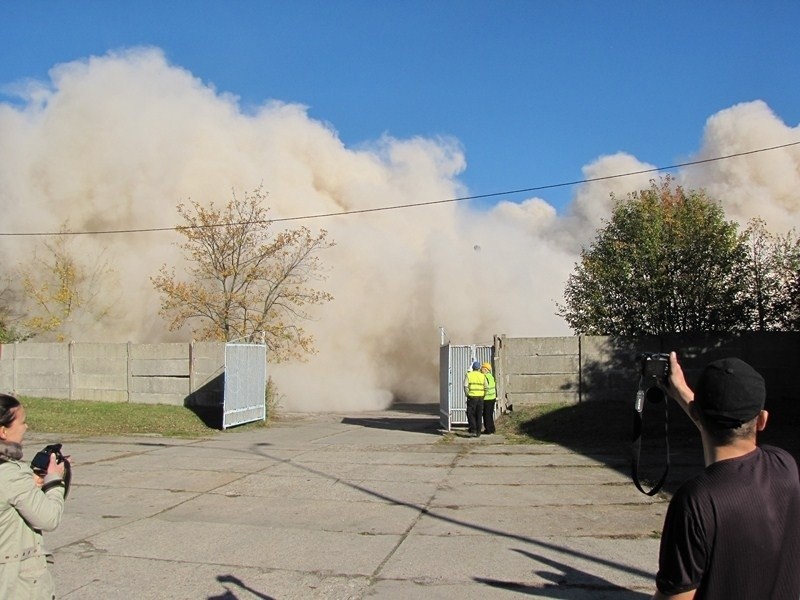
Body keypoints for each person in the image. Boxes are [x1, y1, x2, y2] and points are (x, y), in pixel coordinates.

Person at [652, 353, 800, 599]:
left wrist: (690, 401)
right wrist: (680, 391)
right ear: (762, 420)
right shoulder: (785, 466)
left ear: (696, 414)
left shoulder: (696, 501)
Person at [0, 393, 67, 600]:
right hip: (14, 584)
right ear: (3, 431)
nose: (26, 427)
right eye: (22, 421)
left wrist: (31, 484)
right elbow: (49, 518)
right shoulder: (10, 475)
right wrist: (55, 480)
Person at [463, 361, 487, 437]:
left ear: (473, 368)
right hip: (480, 398)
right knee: (479, 414)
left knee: (470, 414)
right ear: (479, 368)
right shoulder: (482, 376)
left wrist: (467, 395)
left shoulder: (469, 375)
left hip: (472, 397)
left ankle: (473, 429)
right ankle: (478, 432)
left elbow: (466, 386)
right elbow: (486, 387)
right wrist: (483, 395)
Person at [481, 362, 497, 434]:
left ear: (486, 369)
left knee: (486, 414)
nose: (481, 369)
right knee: (490, 414)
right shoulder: (491, 376)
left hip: (487, 398)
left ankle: (488, 429)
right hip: (492, 397)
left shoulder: (485, 377)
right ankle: (492, 428)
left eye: (483, 368)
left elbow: (485, 387)